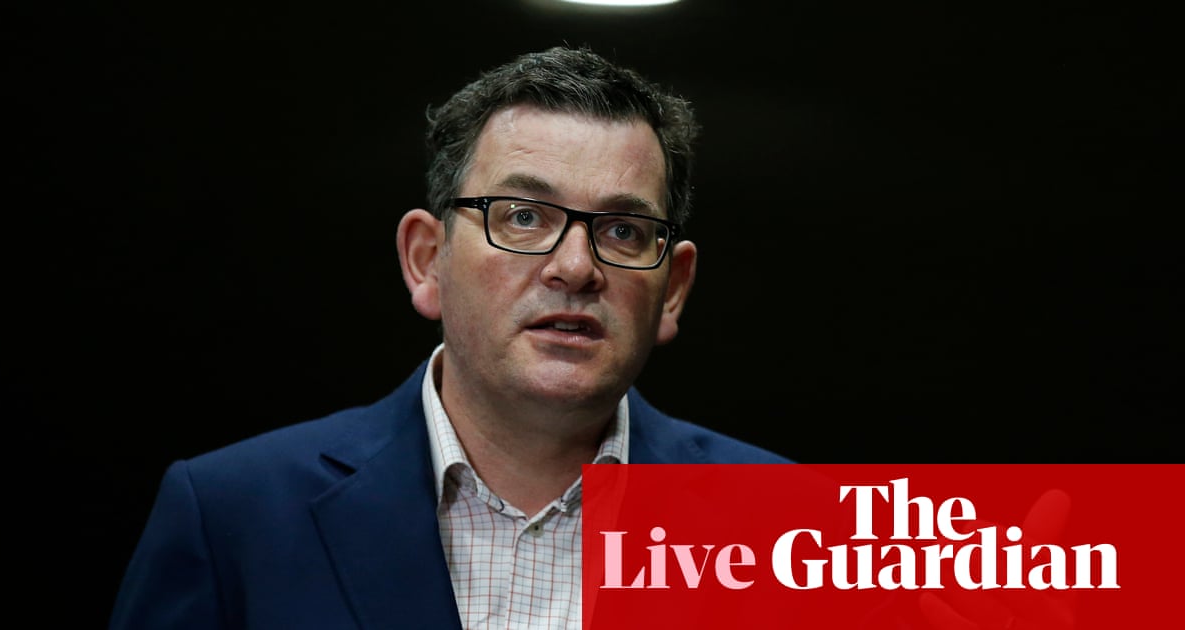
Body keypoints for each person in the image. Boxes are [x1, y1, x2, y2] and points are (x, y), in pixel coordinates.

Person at [107, 45, 790, 630]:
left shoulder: (792, 530)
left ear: (672, 289)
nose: (576, 267)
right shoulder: (231, 515)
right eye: (523, 216)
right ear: (427, 261)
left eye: (622, 231)